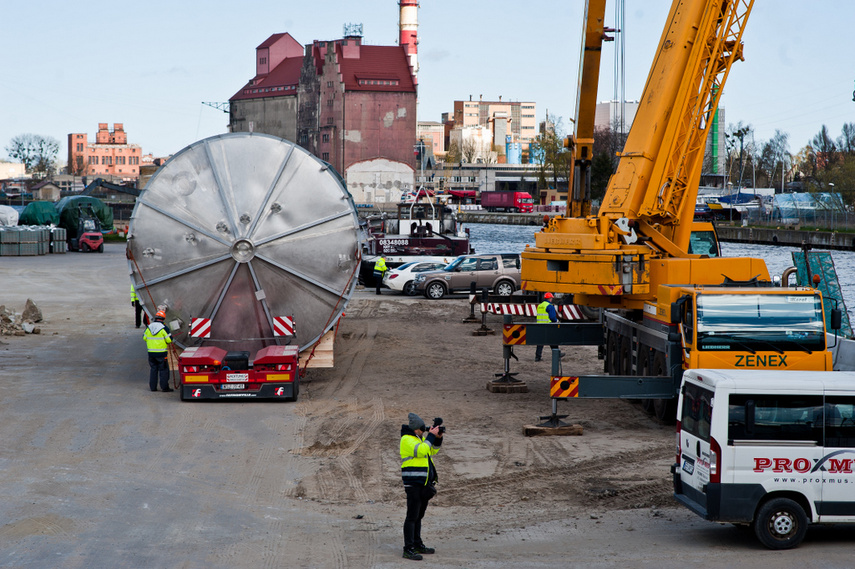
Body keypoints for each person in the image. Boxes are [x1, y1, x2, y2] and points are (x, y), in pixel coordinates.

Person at [400, 412, 443, 561]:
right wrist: (431, 435)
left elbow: (431, 451)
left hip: (423, 484)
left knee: (418, 516)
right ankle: (408, 549)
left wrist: (437, 438)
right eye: (422, 429)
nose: (423, 432)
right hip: (413, 484)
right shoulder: (406, 439)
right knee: (411, 517)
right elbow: (422, 450)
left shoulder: (418, 438)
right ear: (415, 429)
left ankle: (417, 544)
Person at [143, 310, 174, 392]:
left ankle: (153, 388)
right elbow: (169, 340)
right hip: (161, 354)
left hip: (151, 354)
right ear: (163, 319)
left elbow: (144, 338)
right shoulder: (164, 328)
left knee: (153, 370)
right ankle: (164, 387)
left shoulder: (149, 327)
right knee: (163, 370)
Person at [535, 292, 561, 362]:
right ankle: (557, 354)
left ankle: (537, 357)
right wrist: (557, 321)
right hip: (548, 325)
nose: (552, 299)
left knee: (540, 342)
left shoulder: (540, 305)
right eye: (551, 298)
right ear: (549, 298)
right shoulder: (549, 306)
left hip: (540, 325)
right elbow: (552, 317)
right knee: (552, 340)